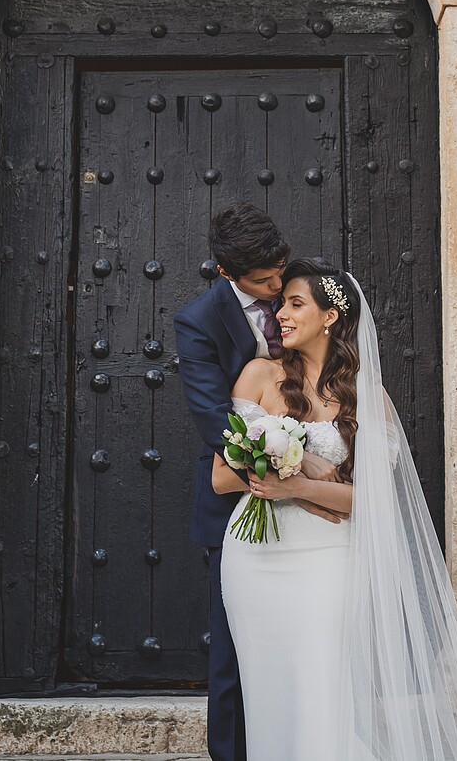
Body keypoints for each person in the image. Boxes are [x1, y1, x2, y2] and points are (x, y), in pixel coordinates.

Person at [212, 259, 457, 761]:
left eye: (294, 303)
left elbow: (374, 501)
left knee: (322, 689)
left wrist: (293, 488)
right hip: (254, 557)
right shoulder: (259, 374)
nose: (279, 313)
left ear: (330, 317)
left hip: (329, 557)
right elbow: (223, 477)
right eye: (281, 302)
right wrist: (299, 476)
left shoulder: (369, 399)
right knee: (267, 695)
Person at [173, 203, 290, 761]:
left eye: (279, 272)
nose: (275, 287)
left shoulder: (302, 289)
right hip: (239, 503)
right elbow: (213, 418)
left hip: (315, 505)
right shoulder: (198, 321)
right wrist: (286, 467)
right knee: (233, 650)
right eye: (262, 281)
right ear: (225, 272)